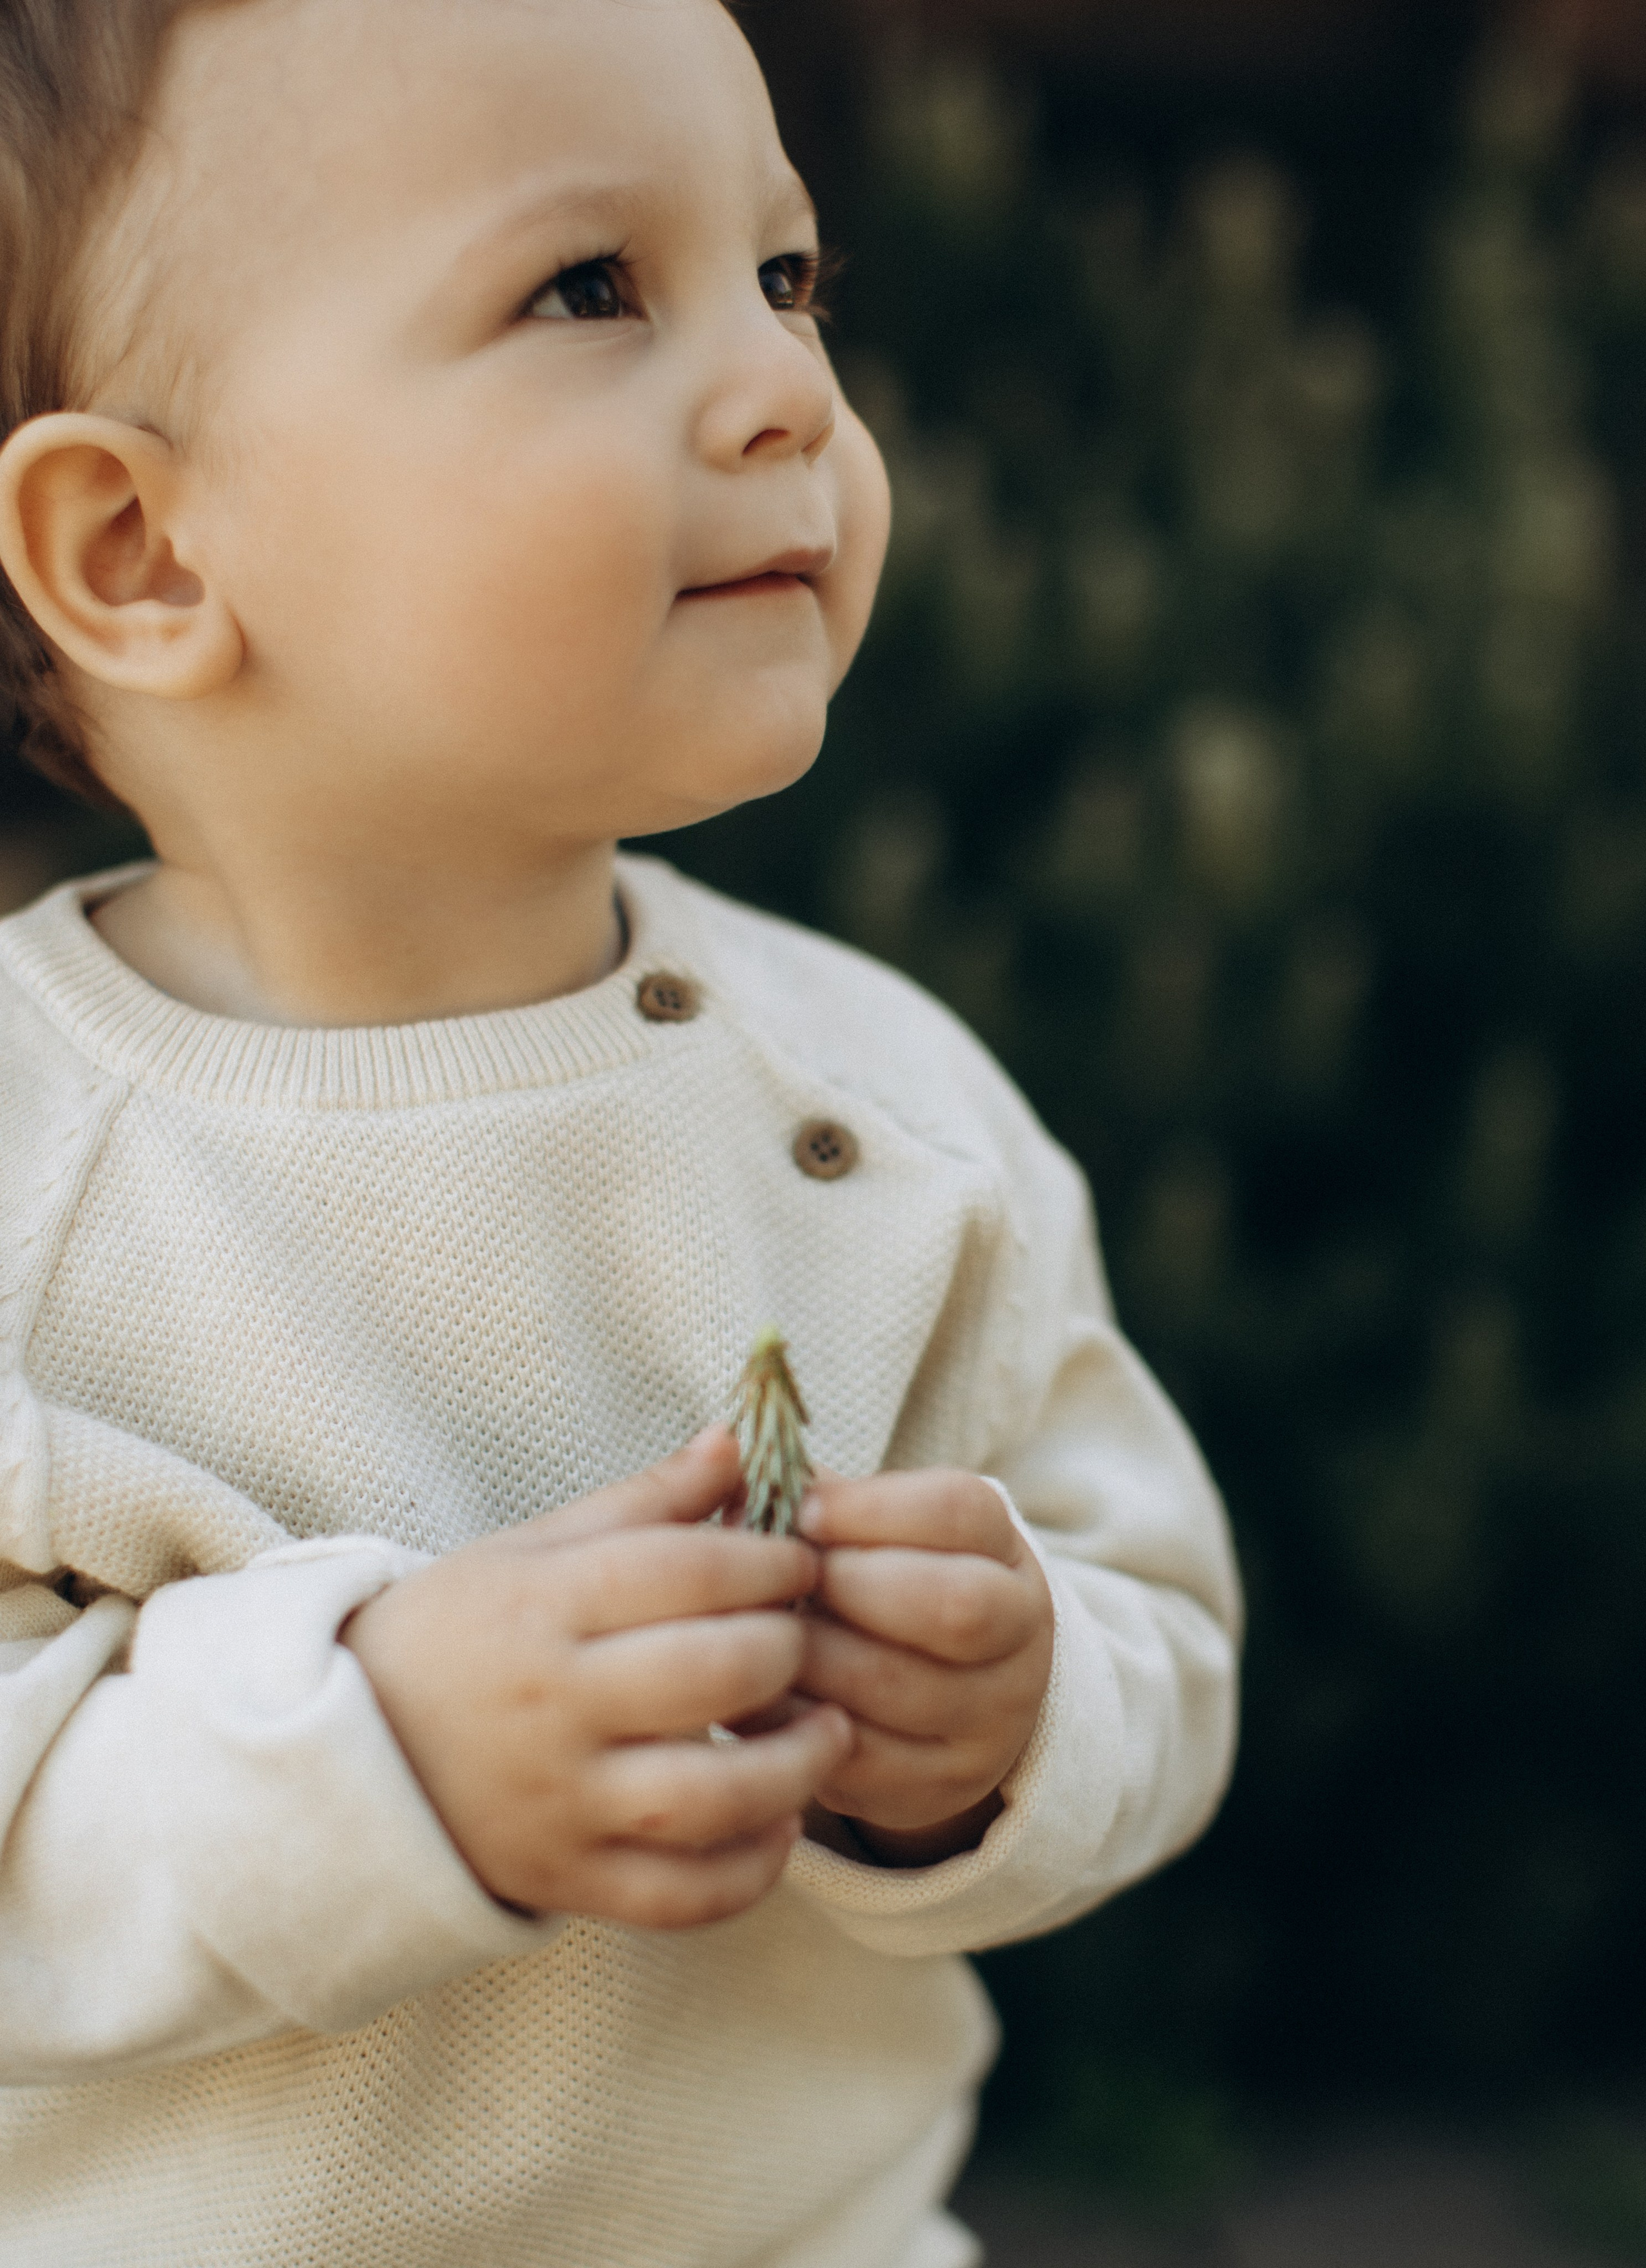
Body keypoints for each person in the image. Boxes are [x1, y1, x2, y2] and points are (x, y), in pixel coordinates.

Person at [0, 2, 1242, 2262]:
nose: (788, 390)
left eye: (787, 278)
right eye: (589, 289)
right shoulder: (32, 1183)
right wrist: (372, 1760)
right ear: (143, 551)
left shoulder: (876, 1114)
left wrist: (1017, 1705)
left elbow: (1160, 1619)